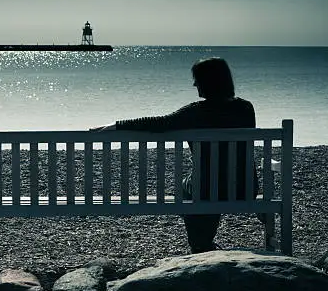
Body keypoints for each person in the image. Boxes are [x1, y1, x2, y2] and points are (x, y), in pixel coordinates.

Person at [92, 57, 257, 253]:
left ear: (207, 81)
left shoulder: (196, 112)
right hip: (244, 188)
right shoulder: (246, 108)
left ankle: (200, 245)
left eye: (197, 79)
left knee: (190, 187)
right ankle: (203, 243)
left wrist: (116, 125)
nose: (194, 84)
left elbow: (159, 123)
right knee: (210, 183)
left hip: (206, 190)